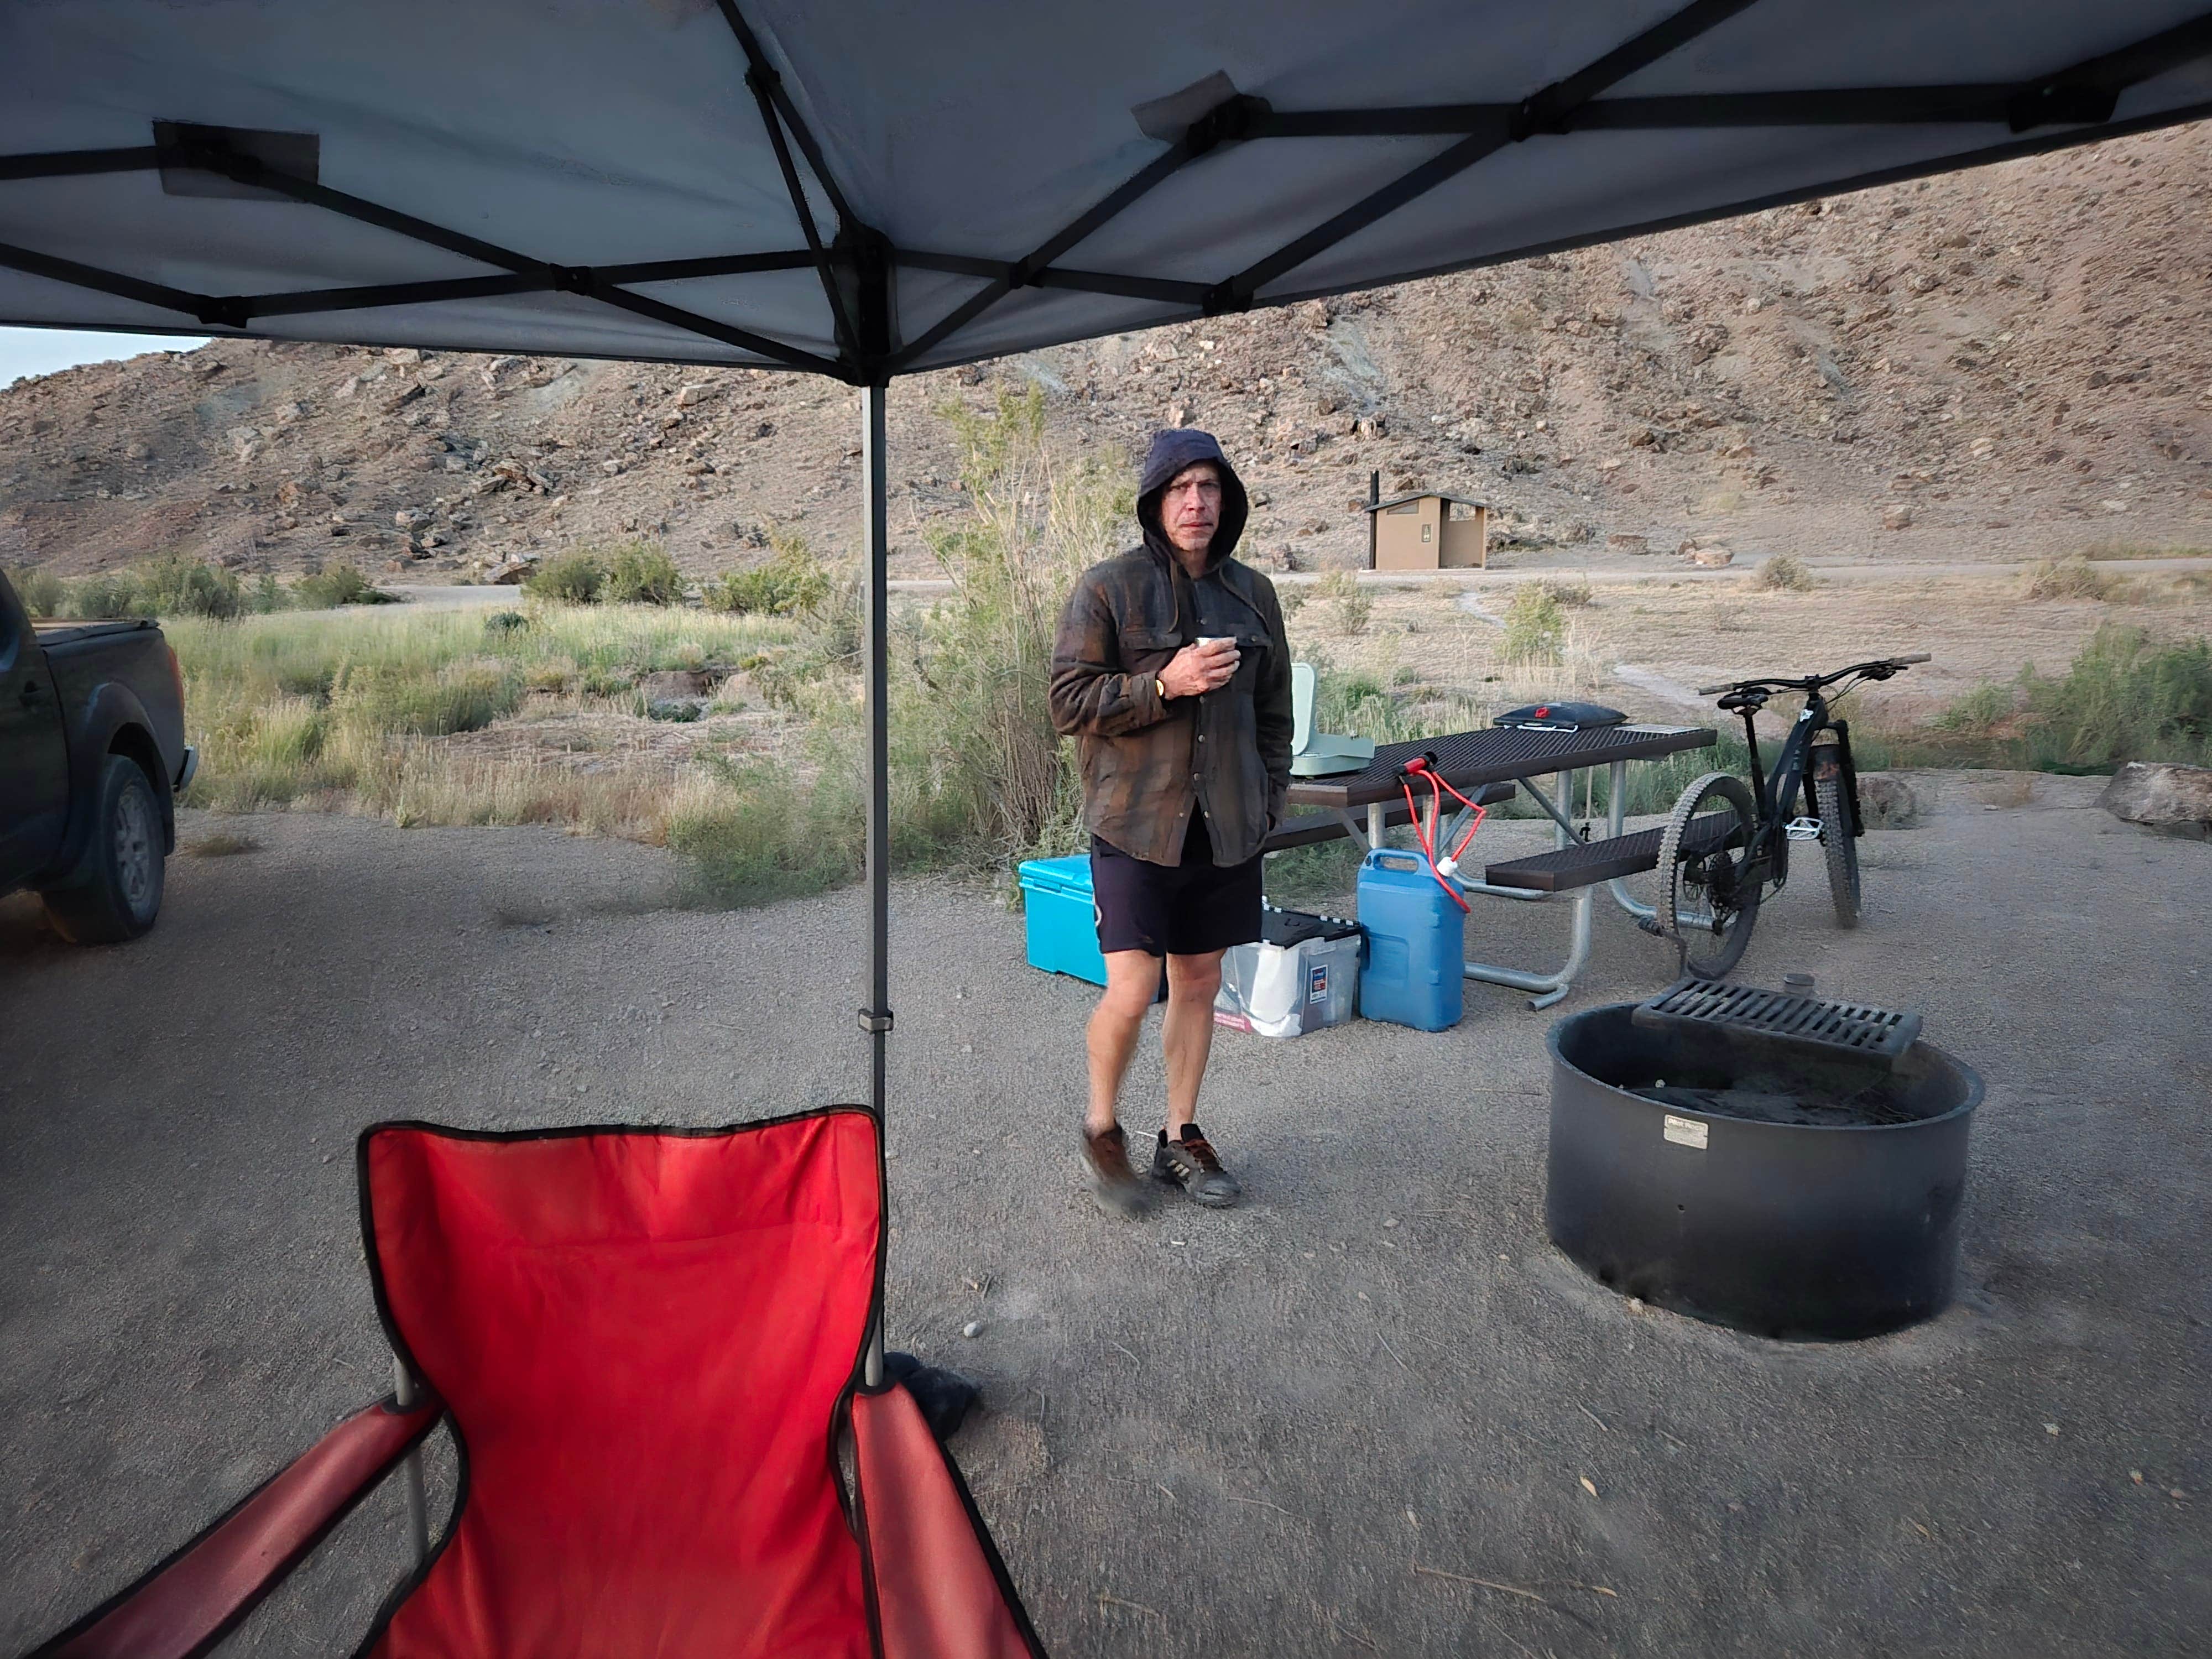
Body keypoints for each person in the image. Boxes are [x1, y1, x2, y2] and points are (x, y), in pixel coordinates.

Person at [1048, 427, 1292, 1214]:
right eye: (1182, 488)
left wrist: (1268, 799)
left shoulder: (1254, 595)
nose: (1197, 501)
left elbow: (1274, 716)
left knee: (1198, 981)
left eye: (1210, 487)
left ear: (1227, 501)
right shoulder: (1108, 589)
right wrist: (1166, 683)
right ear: (1155, 502)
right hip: (1134, 823)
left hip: (1224, 827)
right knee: (1131, 986)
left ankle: (1180, 1135)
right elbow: (1068, 702)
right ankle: (1101, 1126)